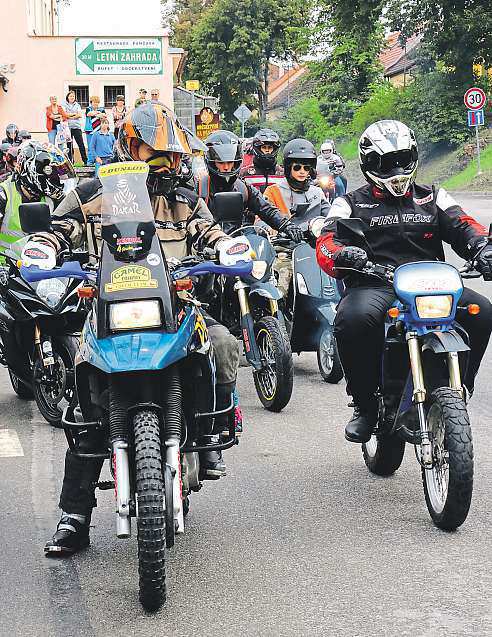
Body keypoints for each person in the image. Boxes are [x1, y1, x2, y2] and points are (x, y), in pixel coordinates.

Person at [31, 104, 242, 555]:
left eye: (171, 153)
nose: (165, 161)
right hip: (107, 312)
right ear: (131, 147)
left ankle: (208, 435)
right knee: (87, 409)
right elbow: (59, 229)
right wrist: (45, 246)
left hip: (175, 309)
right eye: (155, 150)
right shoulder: (93, 192)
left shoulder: (185, 198)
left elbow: (208, 233)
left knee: (222, 343)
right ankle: (74, 518)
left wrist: (228, 245)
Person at [316, 119, 492, 444]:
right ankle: (365, 406)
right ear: (369, 164)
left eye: (402, 159)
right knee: (352, 320)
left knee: (482, 310)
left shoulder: (431, 197)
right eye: (386, 162)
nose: (396, 169)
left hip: (430, 284)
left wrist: (483, 248)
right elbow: (327, 240)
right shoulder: (351, 202)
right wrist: (344, 256)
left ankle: (460, 387)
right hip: (376, 283)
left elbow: (464, 224)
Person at [198, 130, 303, 243]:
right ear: (212, 161)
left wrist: (286, 225)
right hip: (205, 248)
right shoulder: (199, 188)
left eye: (230, 162)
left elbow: (266, 209)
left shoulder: (243, 187)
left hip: (235, 246)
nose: (226, 167)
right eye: (221, 162)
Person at [263, 138, 330, 297]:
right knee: (281, 283)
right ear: (288, 168)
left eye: (306, 168)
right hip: (285, 251)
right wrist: (271, 229)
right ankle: (278, 314)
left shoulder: (317, 193)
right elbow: (261, 219)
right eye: (297, 167)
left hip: (316, 250)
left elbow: (331, 216)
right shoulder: (273, 191)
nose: (302, 171)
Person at [239, 128, 283, 193]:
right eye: (264, 147)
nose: (267, 150)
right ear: (258, 149)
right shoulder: (245, 173)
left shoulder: (282, 173)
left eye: (270, 148)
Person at [63, 90, 87, 165]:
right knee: (69, 146)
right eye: (70, 96)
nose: (72, 97)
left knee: (81, 144)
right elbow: (65, 115)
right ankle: (71, 162)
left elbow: (79, 115)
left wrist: (70, 115)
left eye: (73, 96)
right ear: (68, 97)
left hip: (77, 127)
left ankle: (85, 161)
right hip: (68, 128)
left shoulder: (78, 105)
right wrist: (74, 115)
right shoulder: (64, 105)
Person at [85, 96, 106, 165]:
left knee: (98, 146)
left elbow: (104, 115)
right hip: (90, 131)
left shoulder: (102, 109)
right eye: (94, 102)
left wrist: (97, 114)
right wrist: (98, 114)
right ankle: (90, 162)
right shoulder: (88, 108)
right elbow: (89, 114)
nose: (95, 104)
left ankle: (98, 161)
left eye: (97, 102)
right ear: (91, 102)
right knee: (91, 146)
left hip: (99, 131)